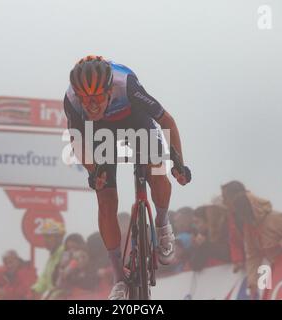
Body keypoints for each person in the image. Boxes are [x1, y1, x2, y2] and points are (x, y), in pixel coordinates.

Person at [64, 55, 192, 299]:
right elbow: (77, 141)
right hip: (99, 133)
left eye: (98, 98)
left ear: (110, 89)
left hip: (135, 121)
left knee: (156, 169)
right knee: (106, 200)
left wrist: (179, 163)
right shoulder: (71, 99)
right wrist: (95, 172)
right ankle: (118, 277)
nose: (91, 105)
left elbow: (167, 121)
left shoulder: (127, 85)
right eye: (86, 100)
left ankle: (163, 223)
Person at [229, 185, 282, 299]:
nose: (241, 217)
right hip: (280, 271)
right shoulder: (249, 228)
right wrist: (253, 283)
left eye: (243, 212)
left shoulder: (277, 218)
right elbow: (253, 255)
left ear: (251, 208)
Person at [189, 205, 231, 270]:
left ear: (208, 221)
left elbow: (228, 255)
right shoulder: (202, 237)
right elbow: (195, 265)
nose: (195, 226)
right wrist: (197, 246)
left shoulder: (226, 233)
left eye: (197, 222)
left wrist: (205, 244)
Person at [31, 220, 66, 300]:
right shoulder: (52, 256)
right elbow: (44, 279)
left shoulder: (64, 252)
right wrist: (35, 290)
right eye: (45, 237)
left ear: (59, 237)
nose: (46, 240)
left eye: (49, 236)